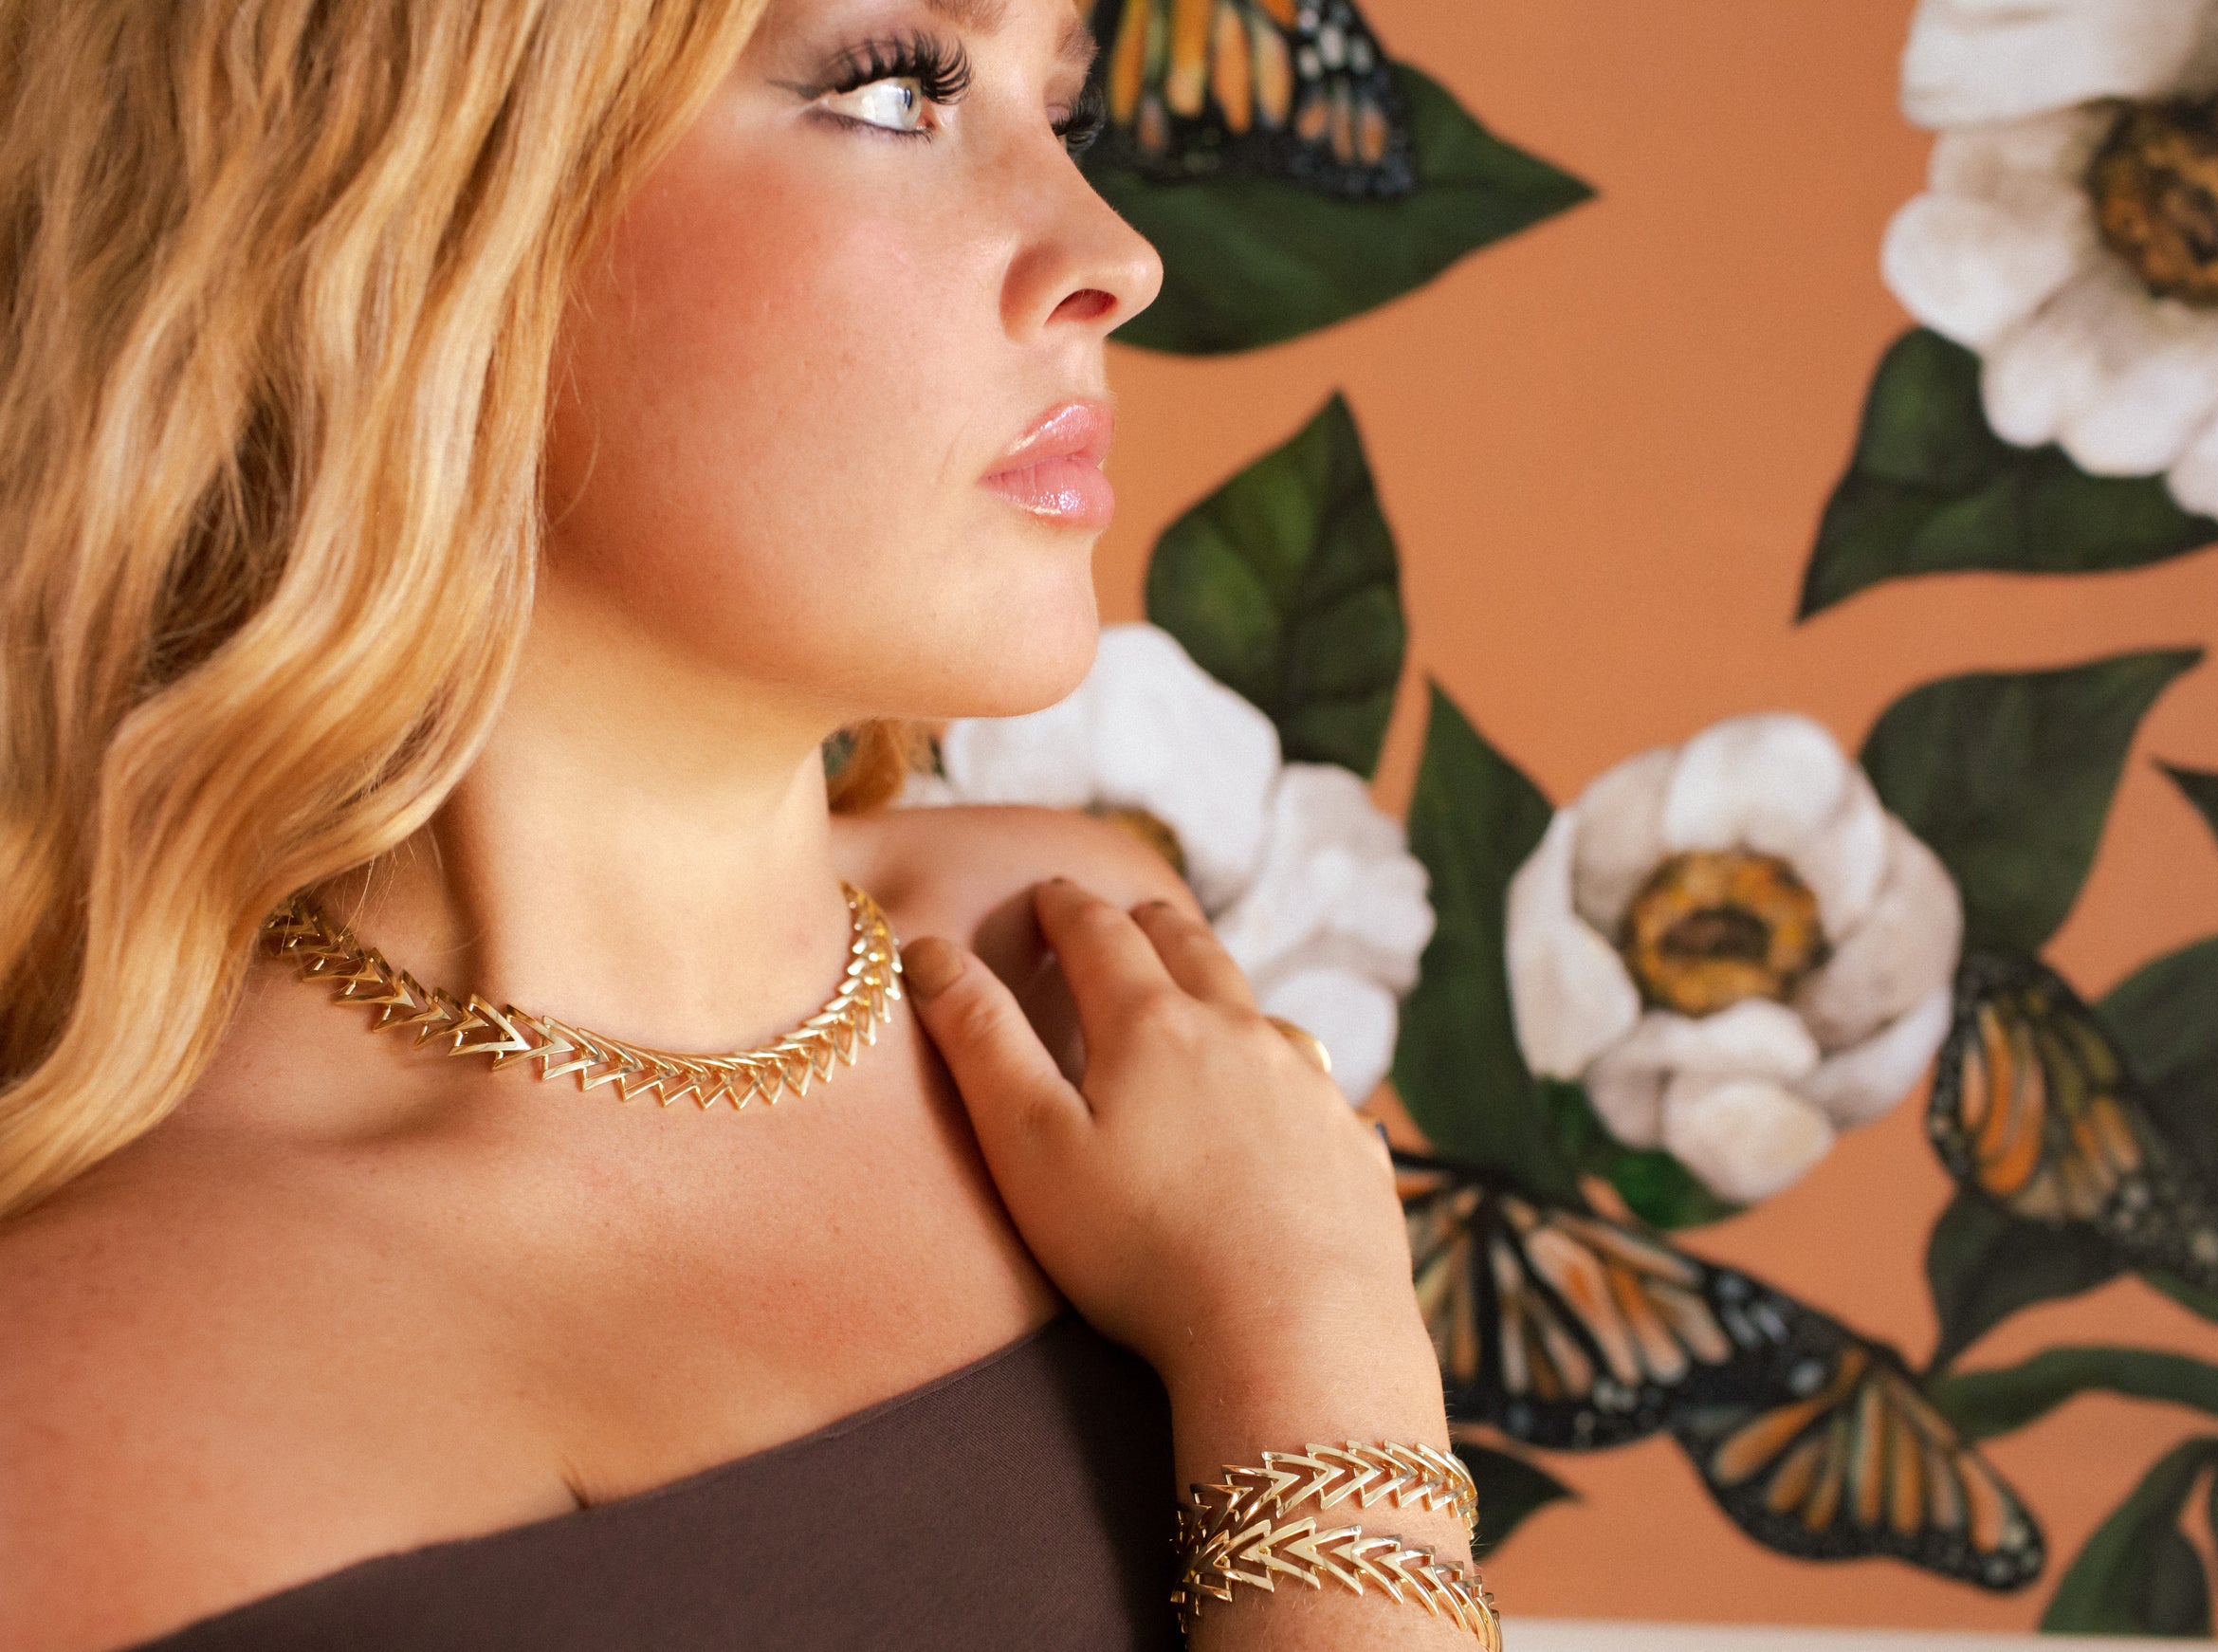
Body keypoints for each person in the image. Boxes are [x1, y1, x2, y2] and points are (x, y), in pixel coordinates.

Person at [0, 2, 1485, 1648]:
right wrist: (1313, 1342)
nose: (1114, 253)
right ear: (410, 216)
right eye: (895, 91)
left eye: (1061, 107)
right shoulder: (100, 1383)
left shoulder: (1091, 964)